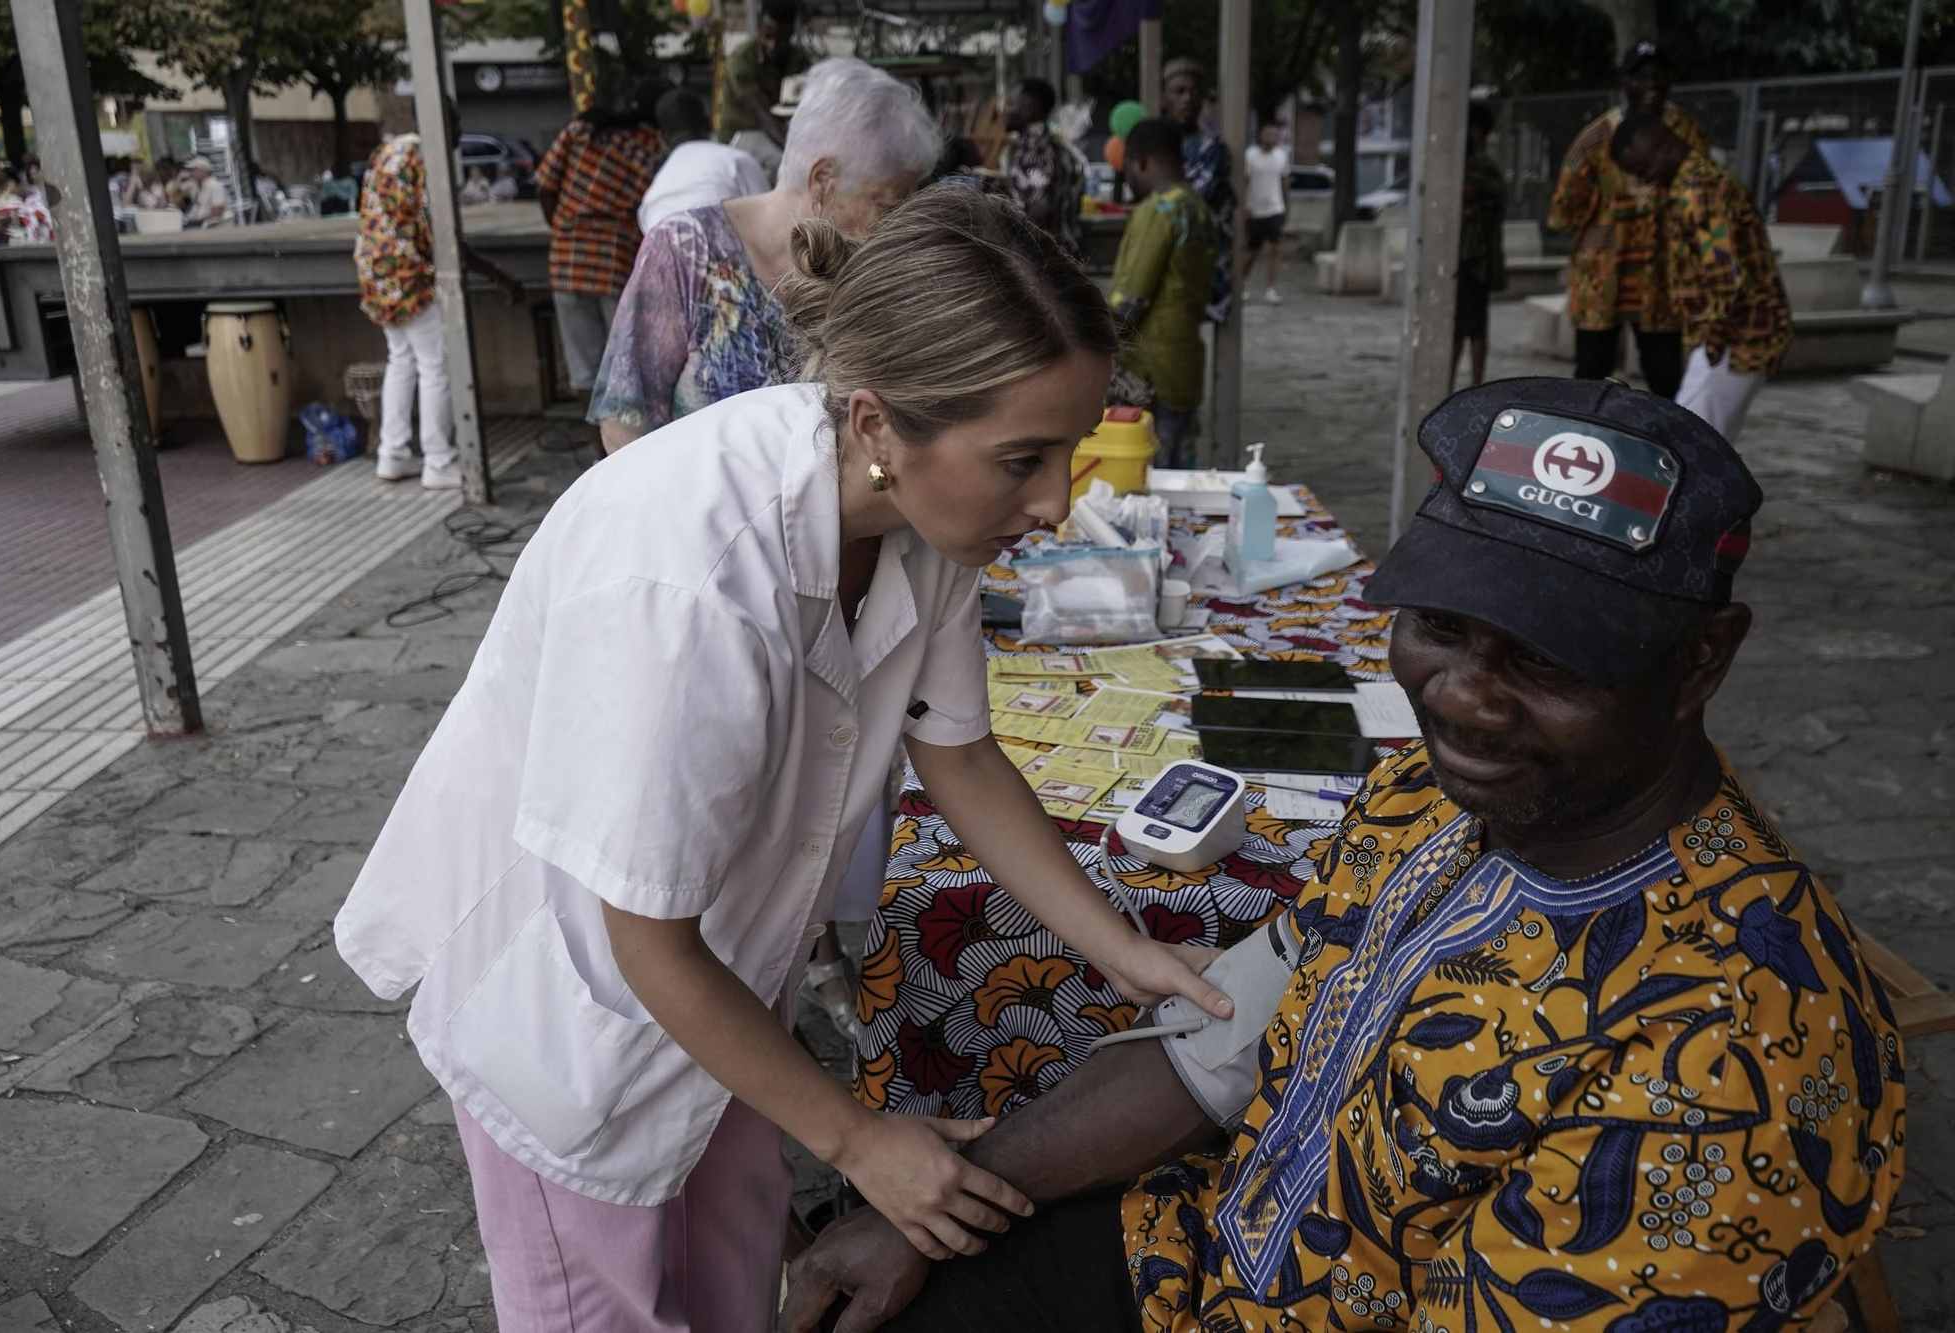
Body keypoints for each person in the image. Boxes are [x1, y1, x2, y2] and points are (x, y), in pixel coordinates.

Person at [784, 374, 1908, 1333]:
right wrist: (936, 1204)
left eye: (1551, 661)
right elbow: (1222, 1037)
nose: (1464, 700)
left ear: (1701, 660)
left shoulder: (1735, 1055)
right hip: (1195, 1255)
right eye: (1442, 626)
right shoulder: (1426, 797)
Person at [336, 182, 1236, 1331]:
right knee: (602, 1302)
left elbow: (957, 756)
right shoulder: (688, 580)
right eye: (1023, 458)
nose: (1056, 500)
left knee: (731, 1288)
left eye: (1066, 449)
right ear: (874, 426)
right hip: (577, 1019)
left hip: (724, 999)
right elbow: (641, 943)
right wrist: (861, 1141)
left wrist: (1122, 952)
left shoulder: (923, 517)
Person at [589, 57, 939, 455]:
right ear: (823, 180)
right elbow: (624, 423)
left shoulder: (865, 270)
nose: (892, 227)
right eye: (885, 206)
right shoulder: (685, 249)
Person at [354, 107, 523, 489]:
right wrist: (495, 273)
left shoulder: (388, 150)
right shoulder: (425, 159)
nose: (459, 133)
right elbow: (444, 235)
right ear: (439, 123)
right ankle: (438, 461)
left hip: (376, 273)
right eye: (457, 124)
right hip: (408, 275)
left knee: (402, 359)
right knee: (435, 366)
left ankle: (392, 454)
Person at [1611, 112, 1793, 445]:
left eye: (1643, 168)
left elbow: (1726, 276)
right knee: (1705, 449)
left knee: (1689, 450)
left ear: (1661, 146)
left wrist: (1711, 347)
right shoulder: (1696, 181)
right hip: (1733, 338)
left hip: (1734, 341)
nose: (1645, 180)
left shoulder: (1700, 188)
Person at [1547, 38, 1711, 397]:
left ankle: (1663, 447)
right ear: (1625, 82)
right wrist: (1603, 214)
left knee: (1665, 374)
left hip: (1662, 273)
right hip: (1602, 274)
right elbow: (1563, 208)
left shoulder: (1686, 132)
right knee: (1592, 372)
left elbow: (1705, 192)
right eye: (1641, 76)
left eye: (1659, 75)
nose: (1651, 83)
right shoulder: (1595, 137)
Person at [536, 90, 666, 402]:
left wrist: (561, 229)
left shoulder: (580, 132)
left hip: (566, 259)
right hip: (614, 260)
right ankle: (624, 447)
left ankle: (598, 451)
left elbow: (545, 186)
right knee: (622, 366)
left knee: (583, 368)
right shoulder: (648, 145)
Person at [1109, 118, 1215, 468]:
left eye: (1128, 170)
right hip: (1184, 365)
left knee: (1151, 476)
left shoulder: (1159, 210)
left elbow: (1130, 301)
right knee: (1180, 470)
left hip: (1150, 371)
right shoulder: (1199, 208)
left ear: (1140, 160)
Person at [638, 86, 770, 235]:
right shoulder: (737, 161)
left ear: (661, 137)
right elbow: (768, 223)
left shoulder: (652, 197)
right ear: (709, 123)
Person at [1162, 57, 1234, 325]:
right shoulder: (1158, 142)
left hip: (1200, 258)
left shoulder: (1209, 147)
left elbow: (1190, 201)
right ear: (1163, 97)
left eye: (1194, 91)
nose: (1188, 98)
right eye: (1179, 91)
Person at [715, 0, 810, 180]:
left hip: (781, 129)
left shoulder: (799, 59)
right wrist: (799, 152)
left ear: (791, 34)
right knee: (783, 162)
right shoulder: (741, 59)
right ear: (759, 30)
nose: (772, 45)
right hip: (741, 133)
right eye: (767, 37)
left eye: (781, 39)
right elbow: (762, 116)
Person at [1453, 102, 1507, 390]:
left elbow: (1464, 195)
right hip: (1464, 258)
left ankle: (1475, 385)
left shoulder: (1483, 168)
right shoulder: (1468, 165)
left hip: (1476, 259)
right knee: (1459, 327)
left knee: (1472, 328)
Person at [1002, 77, 1086, 259]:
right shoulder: (1059, 146)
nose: (1004, 111)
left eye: (1011, 104)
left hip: (1044, 259)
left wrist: (1019, 249)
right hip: (1067, 254)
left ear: (1029, 109)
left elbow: (1042, 205)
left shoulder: (1034, 147)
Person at [1240, 120, 1289, 304]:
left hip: (1275, 208)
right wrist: (1245, 203)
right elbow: (1244, 181)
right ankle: (1242, 283)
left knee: (1275, 249)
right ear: (1261, 134)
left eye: (1275, 135)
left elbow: (1284, 182)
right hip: (1255, 210)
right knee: (1252, 251)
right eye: (1269, 134)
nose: (1272, 138)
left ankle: (1270, 288)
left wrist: (1286, 207)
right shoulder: (1250, 155)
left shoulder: (1281, 156)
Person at [181, 156, 230, 227]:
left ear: (204, 171)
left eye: (193, 170)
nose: (191, 173)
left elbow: (218, 212)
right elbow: (178, 193)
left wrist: (197, 219)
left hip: (209, 224)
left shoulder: (215, 186)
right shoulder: (197, 186)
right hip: (196, 221)